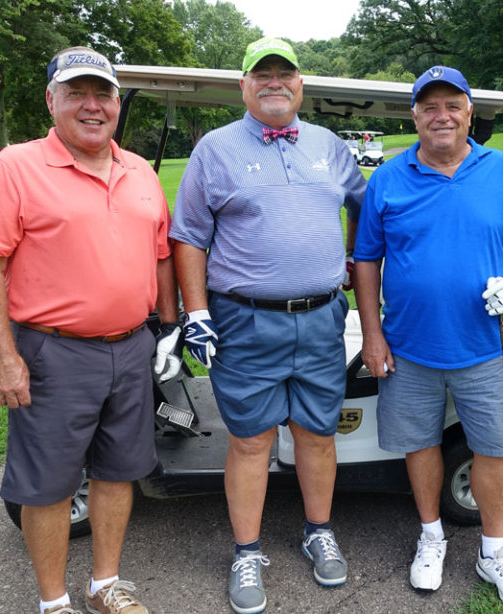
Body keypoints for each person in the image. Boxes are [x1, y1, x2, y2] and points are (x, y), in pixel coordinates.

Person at [0, 46, 182, 614]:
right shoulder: (14, 167)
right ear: (51, 100)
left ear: (115, 103)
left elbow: (160, 255)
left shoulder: (139, 172)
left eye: (103, 93)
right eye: (76, 93)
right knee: (50, 484)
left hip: (132, 348)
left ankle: (104, 586)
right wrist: (2, 357)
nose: (92, 105)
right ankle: (53, 602)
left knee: (118, 472)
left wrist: (168, 327)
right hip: (52, 353)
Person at [169, 37, 365, 614]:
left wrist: (352, 257)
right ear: (245, 86)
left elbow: (364, 203)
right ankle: (247, 549)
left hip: (323, 317)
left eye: (285, 73)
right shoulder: (215, 149)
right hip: (245, 321)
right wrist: (197, 310)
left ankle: (317, 530)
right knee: (252, 440)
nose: (275, 81)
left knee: (317, 433)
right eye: (263, 74)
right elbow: (188, 235)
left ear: (301, 84)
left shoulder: (329, 146)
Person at [353, 65, 503, 610]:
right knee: (420, 443)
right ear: (414, 115)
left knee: (493, 449)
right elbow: (366, 260)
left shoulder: (501, 169)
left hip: (484, 346)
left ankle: (493, 548)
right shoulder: (387, 177)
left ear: (469, 114)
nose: (442, 116)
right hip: (408, 344)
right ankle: (431, 535)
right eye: (429, 107)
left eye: (452, 105)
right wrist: (372, 334)